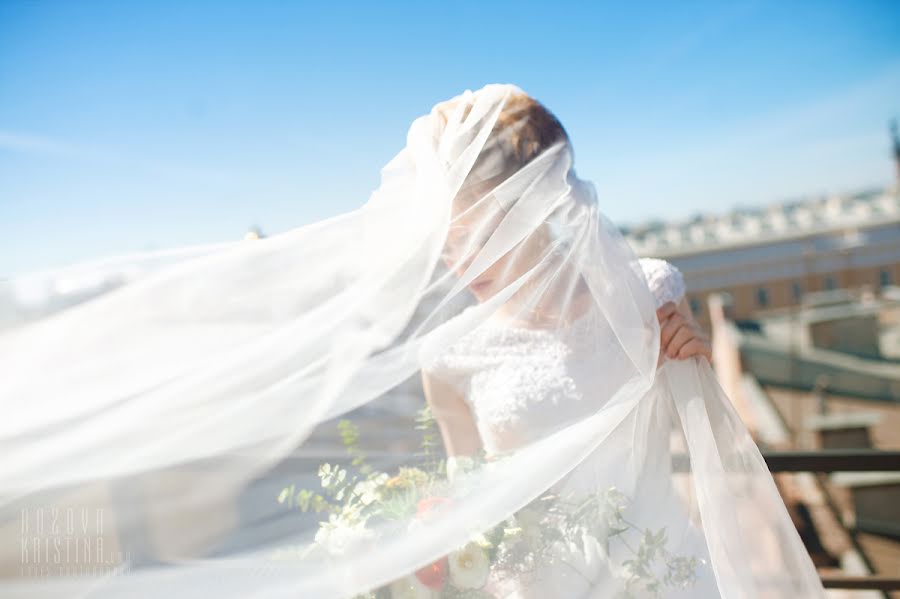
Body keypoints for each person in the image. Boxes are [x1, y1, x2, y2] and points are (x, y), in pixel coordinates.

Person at [0, 83, 824, 598]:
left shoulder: (649, 295)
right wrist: (425, 554)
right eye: (452, 236)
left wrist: (694, 367)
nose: (457, 259)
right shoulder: (450, 358)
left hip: (662, 579)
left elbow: (720, 451)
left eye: (477, 233)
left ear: (539, 214)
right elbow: (475, 504)